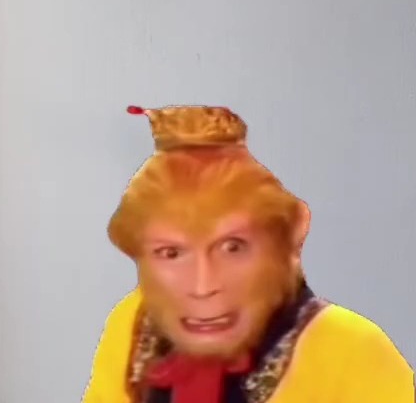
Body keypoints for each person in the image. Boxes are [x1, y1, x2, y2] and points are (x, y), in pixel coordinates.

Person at [82, 105, 414, 403]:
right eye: (170, 253)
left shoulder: (348, 350)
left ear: (287, 241)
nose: (203, 286)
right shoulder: (132, 323)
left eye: (233, 247)